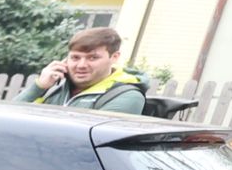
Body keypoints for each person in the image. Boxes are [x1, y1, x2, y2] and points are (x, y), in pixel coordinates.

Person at [27, 24, 170, 114]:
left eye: (92, 58)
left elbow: (87, 140)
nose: (81, 65)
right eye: (75, 58)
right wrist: (39, 86)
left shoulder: (126, 96)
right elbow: (8, 120)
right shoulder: (54, 87)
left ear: (114, 57)